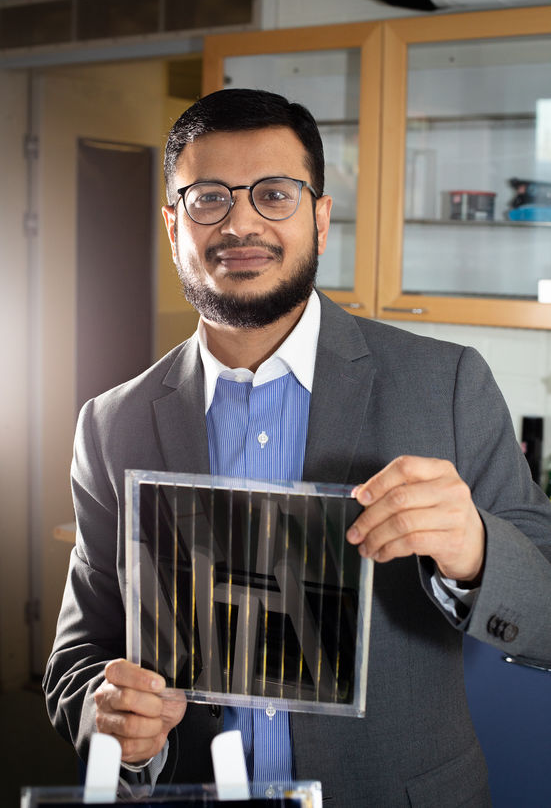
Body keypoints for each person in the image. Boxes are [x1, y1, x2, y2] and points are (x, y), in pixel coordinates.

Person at [44, 88, 551, 806]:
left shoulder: (445, 384)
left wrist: (475, 551)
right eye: (208, 197)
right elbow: (77, 653)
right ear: (171, 223)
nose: (241, 221)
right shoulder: (110, 423)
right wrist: (107, 714)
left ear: (318, 215)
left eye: (273, 194)